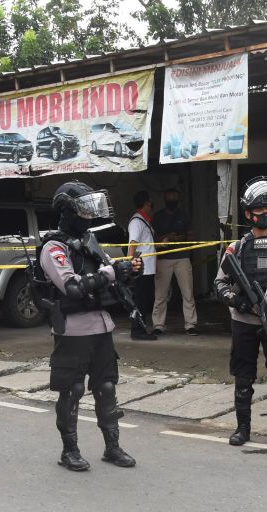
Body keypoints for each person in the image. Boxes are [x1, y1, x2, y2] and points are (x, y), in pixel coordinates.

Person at [37, 181, 140, 471]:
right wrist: (110, 272)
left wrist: (127, 271)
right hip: (73, 330)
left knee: (106, 388)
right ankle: (69, 451)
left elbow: (108, 277)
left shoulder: (90, 243)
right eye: (82, 211)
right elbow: (71, 286)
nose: (88, 217)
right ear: (67, 211)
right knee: (72, 390)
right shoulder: (54, 248)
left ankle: (113, 447)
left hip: (101, 326)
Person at [214, 177, 267, 451]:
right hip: (244, 322)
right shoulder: (237, 248)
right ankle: (242, 428)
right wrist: (238, 301)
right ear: (248, 213)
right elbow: (219, 283)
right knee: (243, 376)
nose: (266, 214)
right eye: (260, 210)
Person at [151, 187, 199, 335]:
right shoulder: (158, 217)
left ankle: (190, 325)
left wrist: (184, 240)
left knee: (188, 293)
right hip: (163, 258)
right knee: (160, 294)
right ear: (165, 199)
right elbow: (152, 238)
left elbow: (191, 236)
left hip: (183, 258)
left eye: (174, 198)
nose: (172, 201)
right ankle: (158, 325)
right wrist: (167, 237)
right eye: (170, 198)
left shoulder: (183, 216)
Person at [126, 190, 157, 341]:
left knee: (144, 300)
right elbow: (132, 245)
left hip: (148, 268)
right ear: (146, 203)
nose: (152, 204)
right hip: (141, 269)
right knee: (140, 301)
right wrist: (129, 266)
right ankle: (137, 331)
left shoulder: (145, 221)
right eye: (150, 201)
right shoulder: (137, 222)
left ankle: (142, 328)